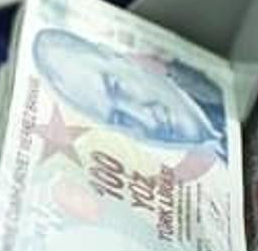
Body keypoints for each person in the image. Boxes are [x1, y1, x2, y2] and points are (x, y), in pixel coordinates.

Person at [31, 28, 230, 161]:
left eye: (118, 88)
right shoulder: (215, 153)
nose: (145, 117)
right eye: (119, 118)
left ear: (127, 59)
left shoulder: (218, 85)